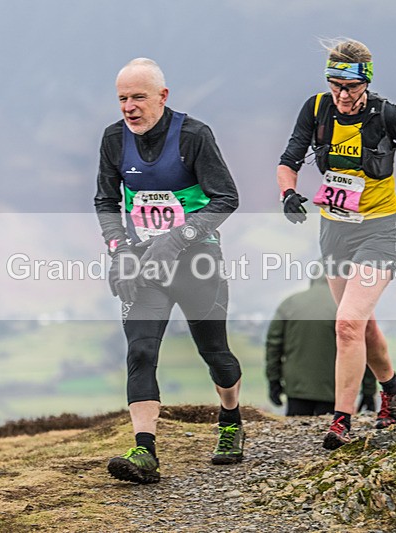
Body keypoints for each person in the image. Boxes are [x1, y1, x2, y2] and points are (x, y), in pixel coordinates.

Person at [277, 38, 396, 449]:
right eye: (335, 85)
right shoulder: (316, 110)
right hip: (335, 230)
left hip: (381, 229)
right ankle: (393, 388)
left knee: (347, 324)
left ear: (365, 82)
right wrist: (288, 193)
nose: (342, 94)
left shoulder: (387, 114)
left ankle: (341, 419)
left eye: (350, 87)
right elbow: (289, 158)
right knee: (360, 323)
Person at [95, 58, 244, 484]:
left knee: (215, 353)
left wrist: (179, 236)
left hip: (197, 261)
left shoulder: (194, 136)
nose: (129, 107)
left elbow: (226, 198)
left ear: (162, 96)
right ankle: (144, 451)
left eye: (138, 97)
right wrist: (119, 249)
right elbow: (106, 201)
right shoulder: (113, 139)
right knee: (141, 351)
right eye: (122, 98)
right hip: (143, 265)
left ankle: (231, 420)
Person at [266, 275, 377, 416]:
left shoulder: (290, 303)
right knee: (328, 432)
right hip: (336, 390)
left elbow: (273, 344)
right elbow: (363, 349)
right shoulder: (349, 307)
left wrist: (273, 380)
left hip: (297, 388)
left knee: (297, 432)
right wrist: (368, 391)